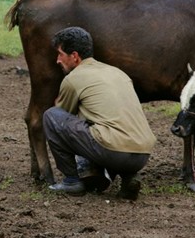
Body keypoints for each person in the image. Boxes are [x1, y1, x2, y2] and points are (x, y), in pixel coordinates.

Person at [43, 26, 156, 200]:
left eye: (60, 54)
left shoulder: (73, 79)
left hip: (113, 151)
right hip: (143, 154)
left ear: (74, 56)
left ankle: (71, 181)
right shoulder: (118, 73)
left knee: (52, 116)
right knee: (105, 122)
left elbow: (63, 116)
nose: (57, 60)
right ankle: (128, 177)